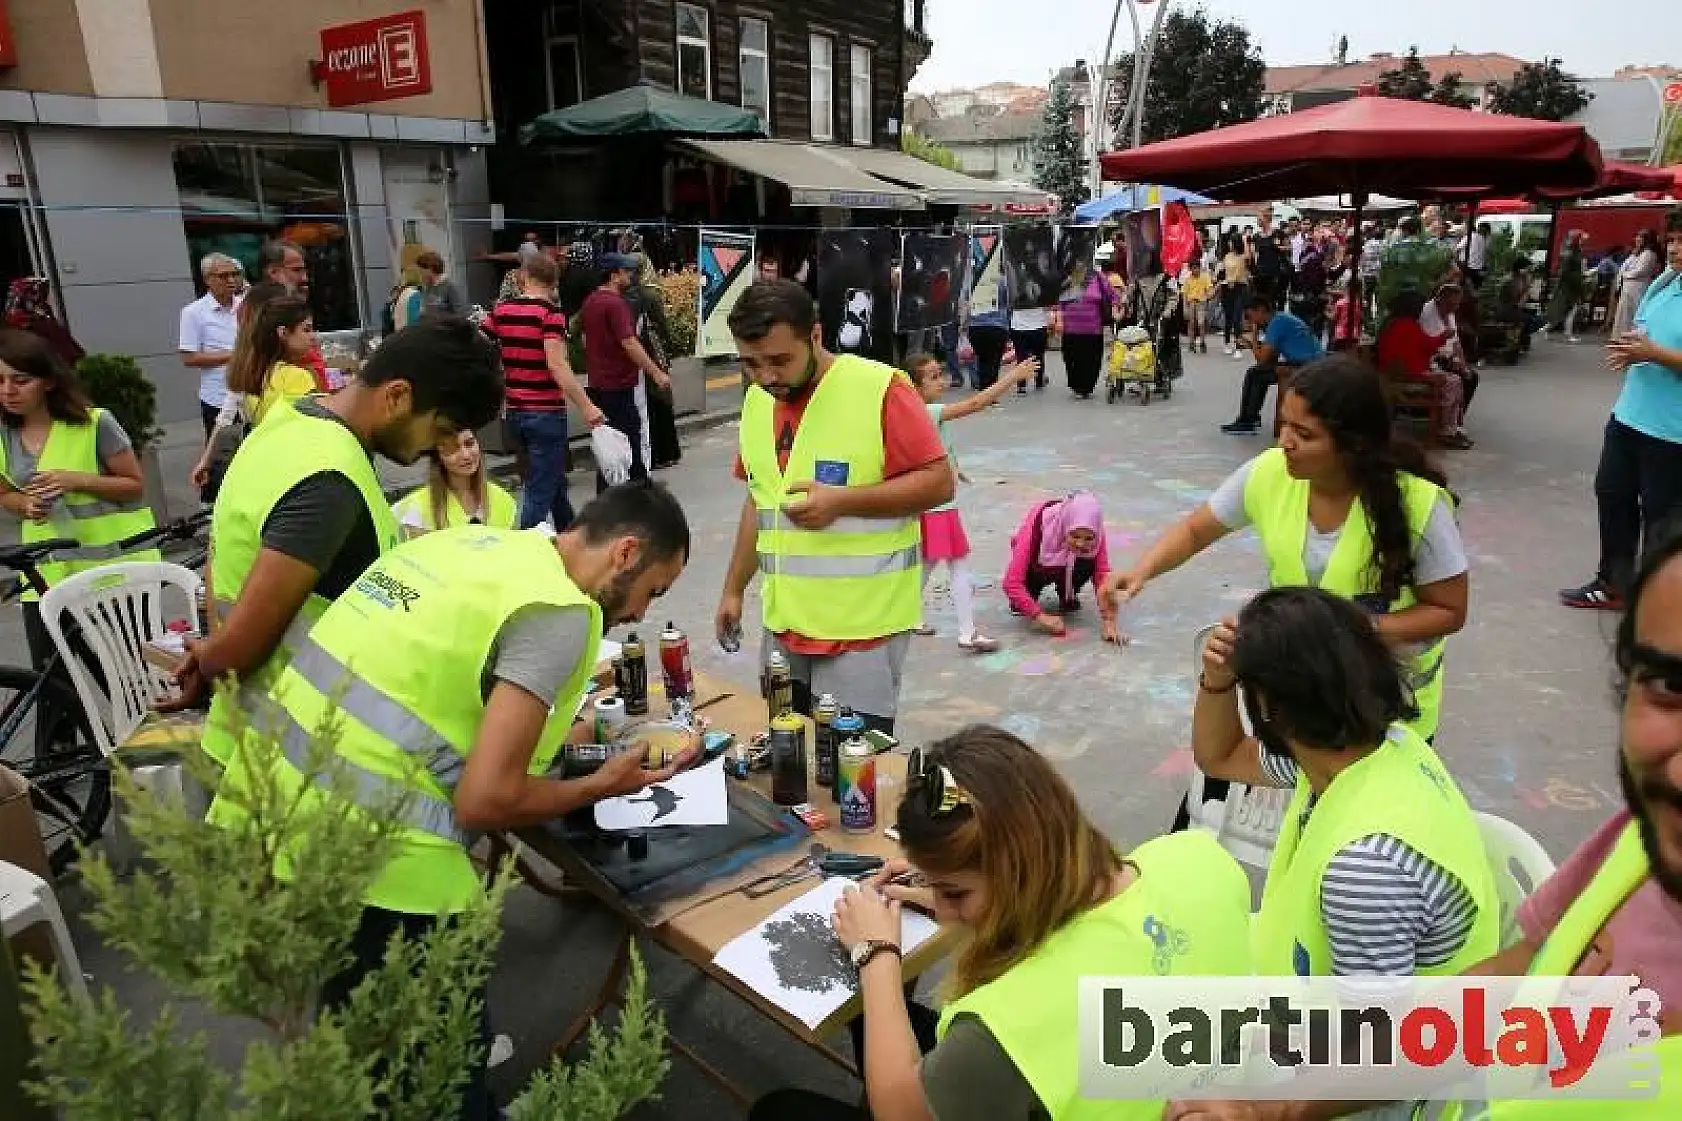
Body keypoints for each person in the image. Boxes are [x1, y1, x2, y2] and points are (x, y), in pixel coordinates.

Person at [210, 482, 698, 1121]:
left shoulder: (473, 545)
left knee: (365, 1044)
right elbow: (485, 801)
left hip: (278, 800)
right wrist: (602, 784)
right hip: (383, 858)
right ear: (626, 553)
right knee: (439, 1074)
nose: (639, 612)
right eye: (653, 591)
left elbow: (430, 679)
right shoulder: (558, 614)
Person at [750, 725, 1254, 1121]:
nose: (945, 912)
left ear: (1020, 874)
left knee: (779, 1110)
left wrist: (876, 954)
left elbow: (900, 1113)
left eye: (957, 893)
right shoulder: (1197, 857)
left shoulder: (1008, 1028)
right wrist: (954, 885)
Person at [164, 317, 505, 768]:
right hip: (289, 758)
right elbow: (241, 650)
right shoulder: (329, 480)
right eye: (441, 428)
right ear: (398, 396)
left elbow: (219, 557)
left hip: (258, 739)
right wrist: (209, 659)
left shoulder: (289, 421)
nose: (439, 447)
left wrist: (209, 654)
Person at [1107, 356, 1468, 742]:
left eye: (1304, 434)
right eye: (1283, 423)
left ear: (1353, 445)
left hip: (1389, 708)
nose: (1285, 442)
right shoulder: (1269, 473)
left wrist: (1358, 631)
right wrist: (1142, 570)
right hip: (1302, 698)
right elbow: (1197, 530)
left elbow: (1448, 610)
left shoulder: (1419, 507)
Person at [1193, 587, 1498, 982]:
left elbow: (1370, 1038)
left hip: (1404, 1037)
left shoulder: (1365, 870)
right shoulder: (1379, 746)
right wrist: (1216, 681)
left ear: (1269, 707)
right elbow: (1222, 756)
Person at [716, 279, 952, 735]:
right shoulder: (756, 403)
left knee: (849, 772)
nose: (766, 376)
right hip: (785, 624)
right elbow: (759, 501)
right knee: (789, 759)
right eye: (750, 364)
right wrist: (732, 589)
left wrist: (843, 502)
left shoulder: (880, 389)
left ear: (816, 337)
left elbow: (938, 482)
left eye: (780, 360)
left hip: (862, 630)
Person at [0, 328, 155, 673]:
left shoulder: (95, 423)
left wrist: (75, 480)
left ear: (48, 383)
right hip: (45, 573)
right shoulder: (2, 435)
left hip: (111, 571)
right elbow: (5, 493)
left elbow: (134, 485)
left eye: (20, 380)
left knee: (134, 675)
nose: (8, 391)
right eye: (0, 382)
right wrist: (24, 505)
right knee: (51, 680)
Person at [1560, 215, 1682, 610]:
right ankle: (1614, 583)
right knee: (1612, 494)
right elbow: (1645, 332)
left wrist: (1655, 354)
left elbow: (1658, 349)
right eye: (1673, 241)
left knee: (1662, 517)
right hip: (1629, 415)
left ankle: (1655, 601)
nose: (1676, 249)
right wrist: (1633, 348)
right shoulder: (1664, 284)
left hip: (1671, 431)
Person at [909, 351, 1038, 653]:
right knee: (957, 565)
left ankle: (909, 617)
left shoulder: (920, 412)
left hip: (934, 501)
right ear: (915, 387)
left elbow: (937, 448)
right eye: (933, 376)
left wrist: (955, 468)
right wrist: (1011, 378)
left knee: (929, 563)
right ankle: (967, 632)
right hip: (939, 505)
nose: (941, 380)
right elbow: (975, 403)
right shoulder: (928, 411)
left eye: (940, 373)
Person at [484, 251, 602, 532]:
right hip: (545, 412)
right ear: (554, 282)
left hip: (515, 412)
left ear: (523, 277)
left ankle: (570, 534)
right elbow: (557, 365)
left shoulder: (502, 311)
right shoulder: (550, 315)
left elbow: (480, 344)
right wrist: (587, 406)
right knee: (539, 490)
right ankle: (526, 543)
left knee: (552, 481)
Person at [580, 252, 670, 491]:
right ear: (613, 275)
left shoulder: (590, 302)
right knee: (630, 440)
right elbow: (629, 342)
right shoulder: (615, 303)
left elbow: (584, 340)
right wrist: (656, 373)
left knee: (611, 444)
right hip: (618, 385)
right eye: (625, 271)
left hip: (599, 385)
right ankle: (641, 492)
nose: (630, 274)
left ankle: (616, 493)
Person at [1002, 490, 1122, 644]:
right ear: (1065, 525)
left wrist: (1109, 622)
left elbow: (1102, 577)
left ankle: (1067, 593)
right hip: (1038, 566)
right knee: (1020, 604)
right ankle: (1037, 593)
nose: (1081, 543)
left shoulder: (1094, 529)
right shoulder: (1038, 527)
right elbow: (1011, 583)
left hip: (1070, 566)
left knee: (1086, 561)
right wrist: (1040, 616)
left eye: (1088, 538)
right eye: (1075, 536)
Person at [1375, 292, 1473, 449]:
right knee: (1453, 382)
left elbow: (1423, 347)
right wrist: (1443, 337)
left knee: (1453, 379)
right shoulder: (1406, 327)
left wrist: (1441, 340)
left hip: (1402, 373)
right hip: (1408, 376)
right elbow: (1414, 354)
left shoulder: (1394, 325)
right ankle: (1446, 430)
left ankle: (1450, 427)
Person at [1222, 297, 1324, 436]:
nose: (1252, 321)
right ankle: (1251, 417)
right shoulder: (1281, 319)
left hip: (1307, 365)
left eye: (1251, 316)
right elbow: (1271, 357)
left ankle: (1247, 420)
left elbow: (1262, 360)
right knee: (1259, 373)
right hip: (1309, 362)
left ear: (1261, 311)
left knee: (1255, 374)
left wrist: (1253, 338)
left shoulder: (1277, 323)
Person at [392, 427, 517, 535]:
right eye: (453, 448)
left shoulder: (504, 500)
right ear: (438, 456)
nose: (466, 455)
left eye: (469, 443)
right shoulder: (418, 510)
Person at [178, 252, 243, 435]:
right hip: (218, 398)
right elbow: (189, 358)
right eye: (223, 276)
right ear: (208, 279)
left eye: (235, 274)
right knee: (223, 456)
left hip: (252, 395)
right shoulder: (193, 312)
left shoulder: (246, 306)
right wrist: (235, 355)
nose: (231, 280)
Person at [1055, 266, 1117, 399]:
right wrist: (1059, 320)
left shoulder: (1098, 277)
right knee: (1071, 358)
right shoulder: (1068, 277)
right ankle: (1076, 386)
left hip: (1093, 328)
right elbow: (1060, 301)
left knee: (1092, 359)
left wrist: (1117, 308)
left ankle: (1086, 388)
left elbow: (1112, 296)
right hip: (1070, 327)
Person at [1612, 228, 1663, 337]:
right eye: (1637, 236)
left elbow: (1641, 271)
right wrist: (1623, 275)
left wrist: (1625, 275)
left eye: (1641, 237)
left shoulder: (1649, 254)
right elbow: (1623, 268)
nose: (1637, 239)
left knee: (1636, 312)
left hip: (1638, 287)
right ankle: (1622, 336)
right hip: (1628, 287)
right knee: (1624, 313)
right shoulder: (1635, 254)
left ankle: (1633, 337)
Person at [1541, 230, 1590, 343]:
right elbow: (1566, 272)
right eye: (1582, 239)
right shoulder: (1571, 253)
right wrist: (1580, 277)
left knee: (1564, 309)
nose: (1584, 242)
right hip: (1568, 286)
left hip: (1568, 285)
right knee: (1567, 309)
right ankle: (1565, 333)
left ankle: (1547, 329)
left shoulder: (1572, 252)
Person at [1218, 230, 1252, 357]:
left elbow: (1248, 256)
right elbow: (1222, 271)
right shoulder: (1227, 256)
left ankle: (1238, 347)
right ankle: (1226, 343)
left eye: (1231, 241)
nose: (1229, 243)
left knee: (1237, 317)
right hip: (1227, 287)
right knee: (1228, 317)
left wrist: (1245, 238)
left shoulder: (1243, 256)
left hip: (1240, 287)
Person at [1008, 299, 1051, 396]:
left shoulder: (1014, 284)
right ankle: (1039, 380)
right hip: (1038, 324)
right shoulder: (1041, 284)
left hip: (1018, 325)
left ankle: (1021, 386)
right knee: (1038, 355)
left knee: (1021, 356)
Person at [416, 249, 469, 318]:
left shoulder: (450, 286)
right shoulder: (429, 286)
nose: (419, 273)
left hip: (447, 327)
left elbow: (461, 314)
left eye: (421, 270)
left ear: (431, 268)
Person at [1182, 257, 1214, 354]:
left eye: (1197, 268)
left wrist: (1210, 294)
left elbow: (1210, 289)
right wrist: (1185, 307)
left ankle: (1202, 342)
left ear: (1200, 268)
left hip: (1201, 303)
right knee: (1191, 324)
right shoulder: (1187, 280)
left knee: (1201, 323)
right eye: (1193, 268)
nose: (1195, 270)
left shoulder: (1205, 277)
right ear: (1190, 269)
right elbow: (1184, 294)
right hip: (1191, 303)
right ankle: (1191, 343)